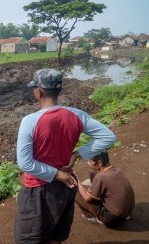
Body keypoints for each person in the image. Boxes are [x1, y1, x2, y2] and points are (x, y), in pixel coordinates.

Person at [14, 68, 116, 244]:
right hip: (67, 186)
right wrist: (77, 154)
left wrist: (55, 173)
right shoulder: (77, 115)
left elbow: (25, 163)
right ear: (58, 90)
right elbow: (108, 136)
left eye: (34, 89)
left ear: (39, 92)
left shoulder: (30, 121)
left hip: (39, 190)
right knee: (56, 236)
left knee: (28, 239)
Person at [75, 150, 135, 227]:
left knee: (75, 192)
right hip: (127, 212)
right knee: (93, 174)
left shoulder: (101, 177)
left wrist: (77, 181)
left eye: (90, 161)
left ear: (99, 163)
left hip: (113, 218)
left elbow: (87, 198)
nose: (88, 163)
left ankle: (91, 217)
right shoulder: (118, 170)